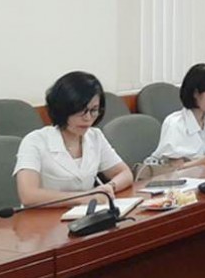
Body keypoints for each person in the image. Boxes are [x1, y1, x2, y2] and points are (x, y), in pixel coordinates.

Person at [13, 71, 133, 206]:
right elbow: (29, 195)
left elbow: (125, 173)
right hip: (43, 216)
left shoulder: (95, 136)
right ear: (62, 109)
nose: (87, 118)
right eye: (81, 110)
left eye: (94, 110)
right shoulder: (34, 141)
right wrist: (84, 197)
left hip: (85, 213)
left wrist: (109, 187)